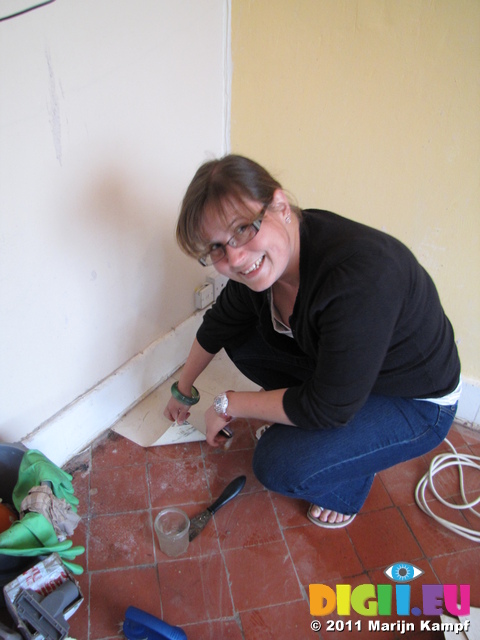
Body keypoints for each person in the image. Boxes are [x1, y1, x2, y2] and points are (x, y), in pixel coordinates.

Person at [164, 154, 461, 528]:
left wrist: (230, 404)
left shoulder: (359, 277)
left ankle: (349, 486)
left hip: (414, 401)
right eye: (217, 249)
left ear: (281, 205)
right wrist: (184, 387)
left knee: (278, 464)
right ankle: (337, 437)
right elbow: (220, 322)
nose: (236, 258)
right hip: (350, 378)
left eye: (243, 229)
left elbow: (329, 408)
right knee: (240, 335)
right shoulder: (270, 261)